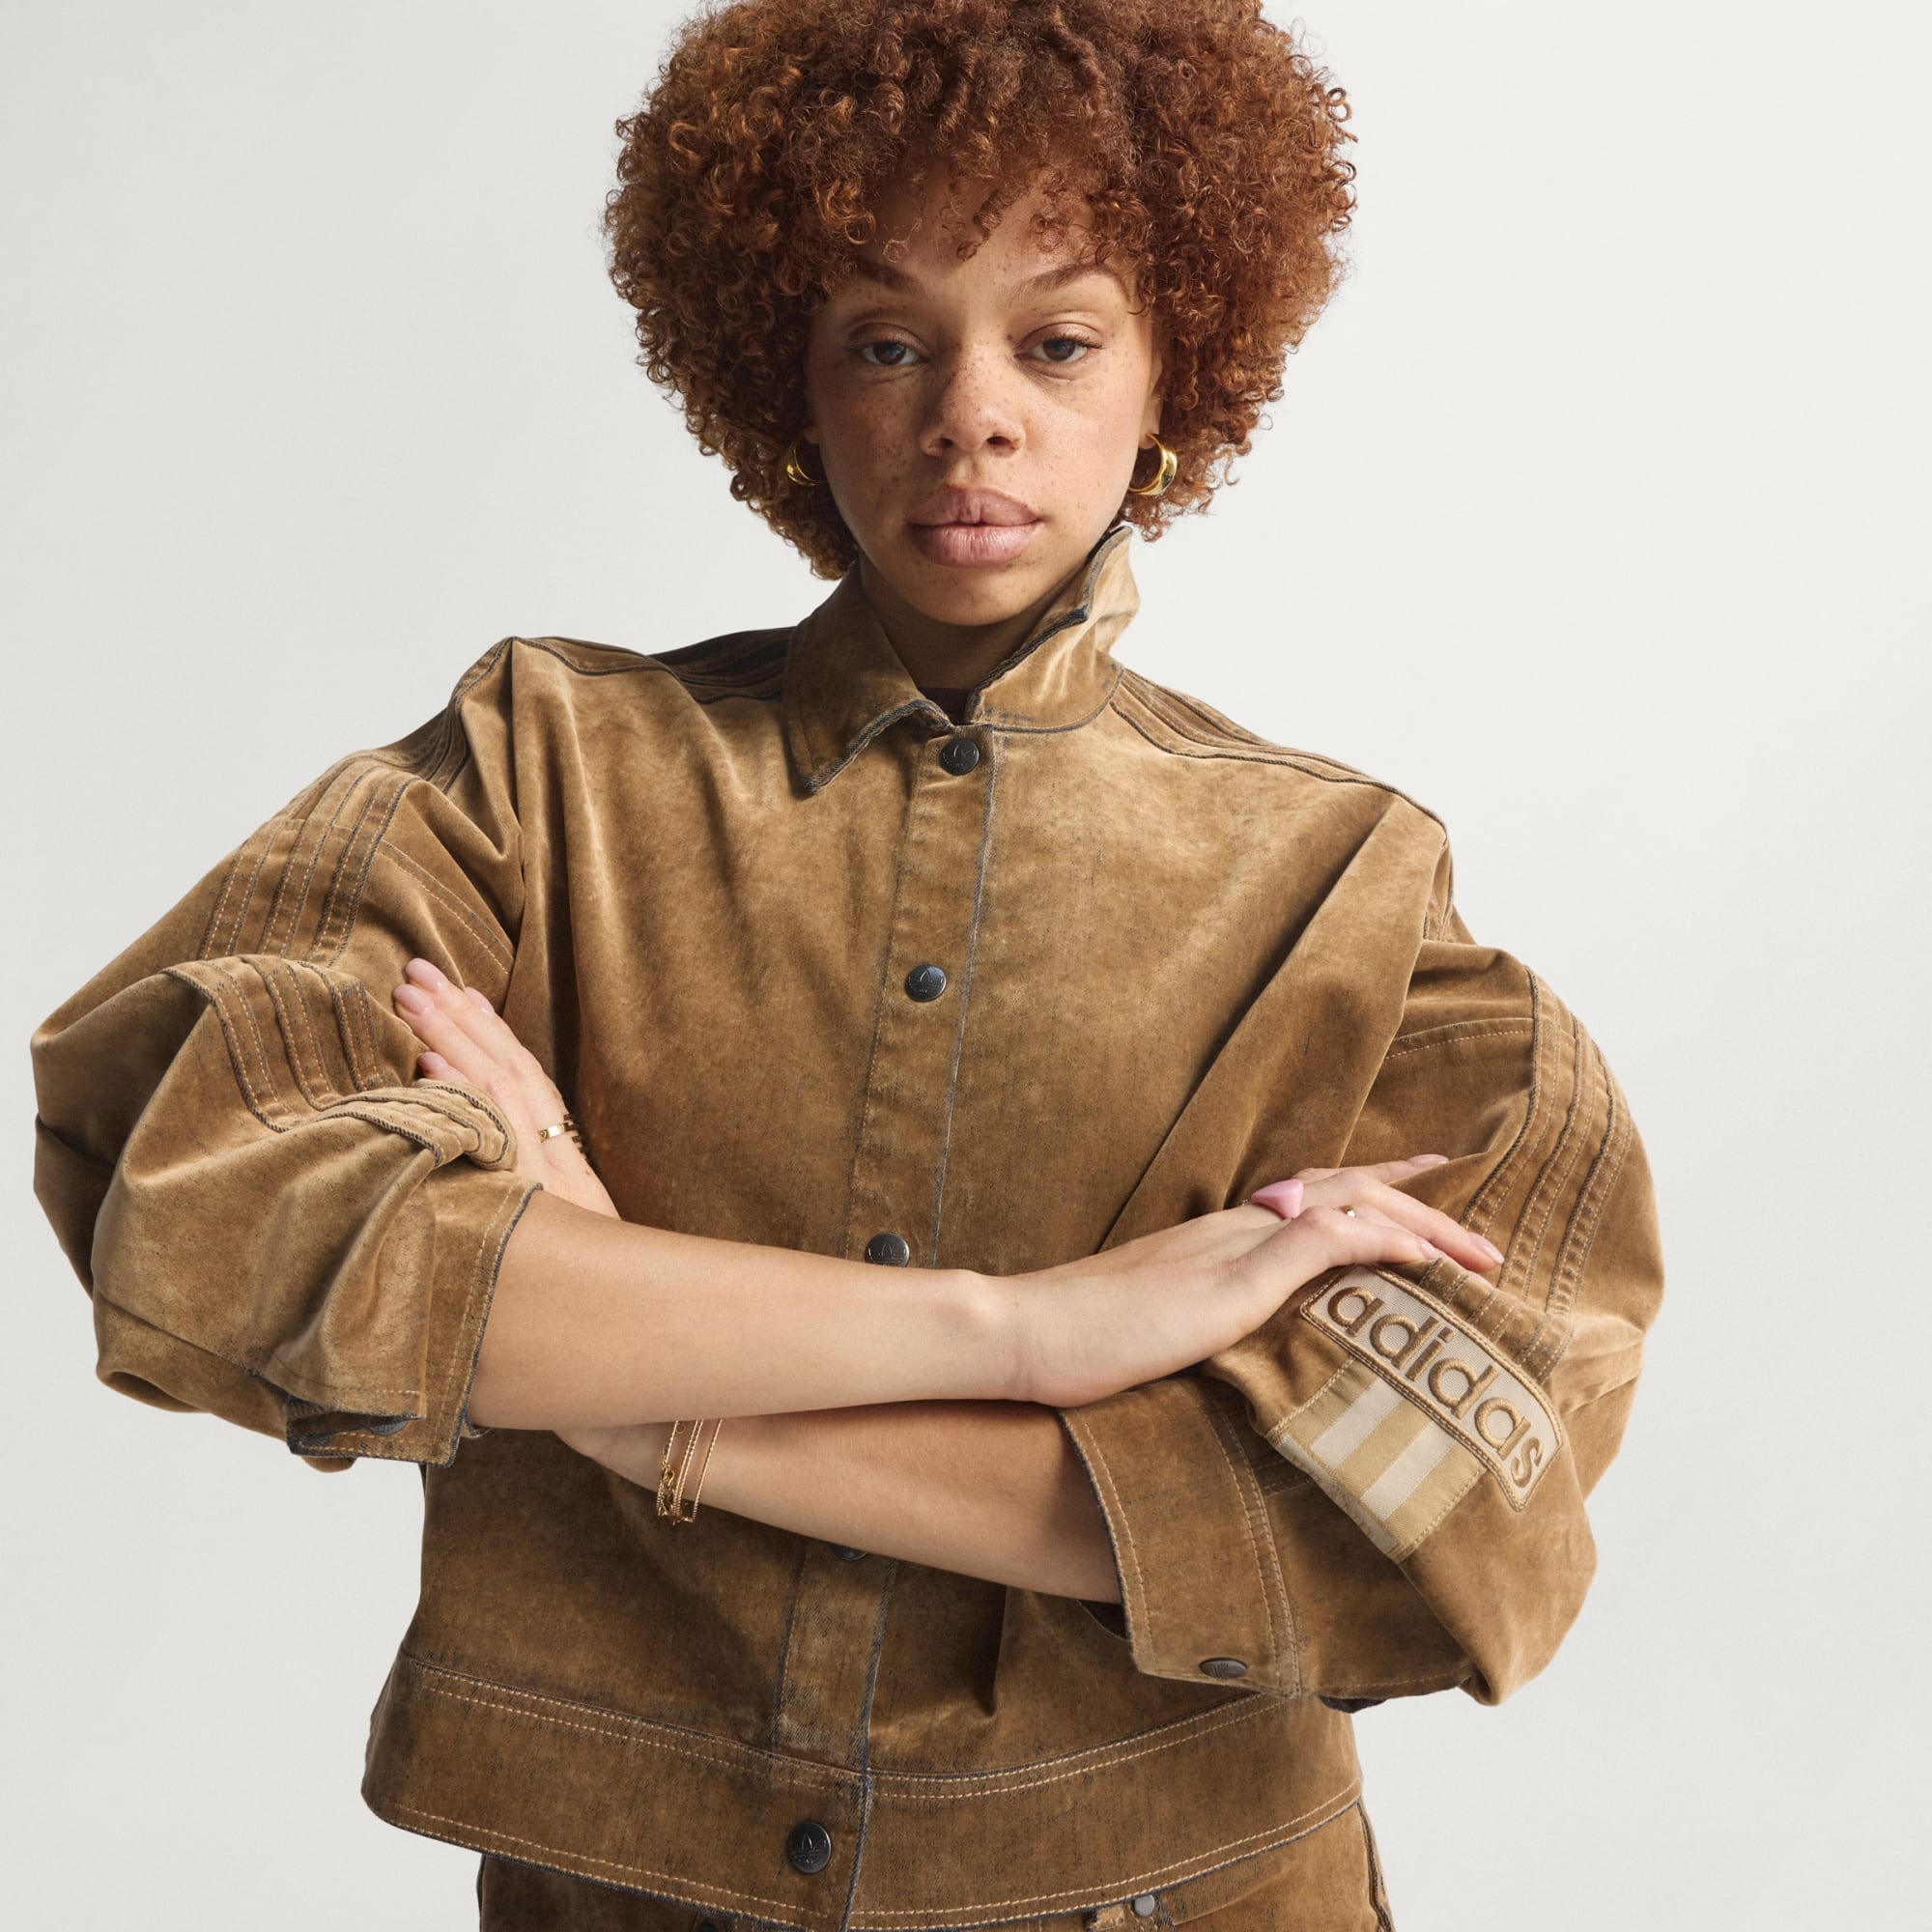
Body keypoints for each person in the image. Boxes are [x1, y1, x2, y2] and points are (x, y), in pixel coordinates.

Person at [27, 2, 1664, 1927]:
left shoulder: (1352, 894)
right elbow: (200, 1196)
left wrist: (634, 1388)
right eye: (888, 341)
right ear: (784, 380)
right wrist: (1028, 1334)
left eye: (1058, 341)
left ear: (1176, 365)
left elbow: (1419, 1518)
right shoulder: (536, 777)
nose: (972, 412)